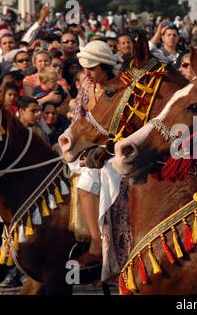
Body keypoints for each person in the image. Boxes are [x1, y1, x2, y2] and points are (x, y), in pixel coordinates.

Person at [70, 40, 124, 270]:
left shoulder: (122, 86)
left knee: (87, 182)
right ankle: (78, 240)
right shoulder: (85, 85)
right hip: (88, 146)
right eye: (84, 68)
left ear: (105, 66)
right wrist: (74, 141)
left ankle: (96, 245)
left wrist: (109, 146)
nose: (87, 74)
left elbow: (128, 123)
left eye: (92, 68)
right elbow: (77, 118)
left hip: (117, 149)